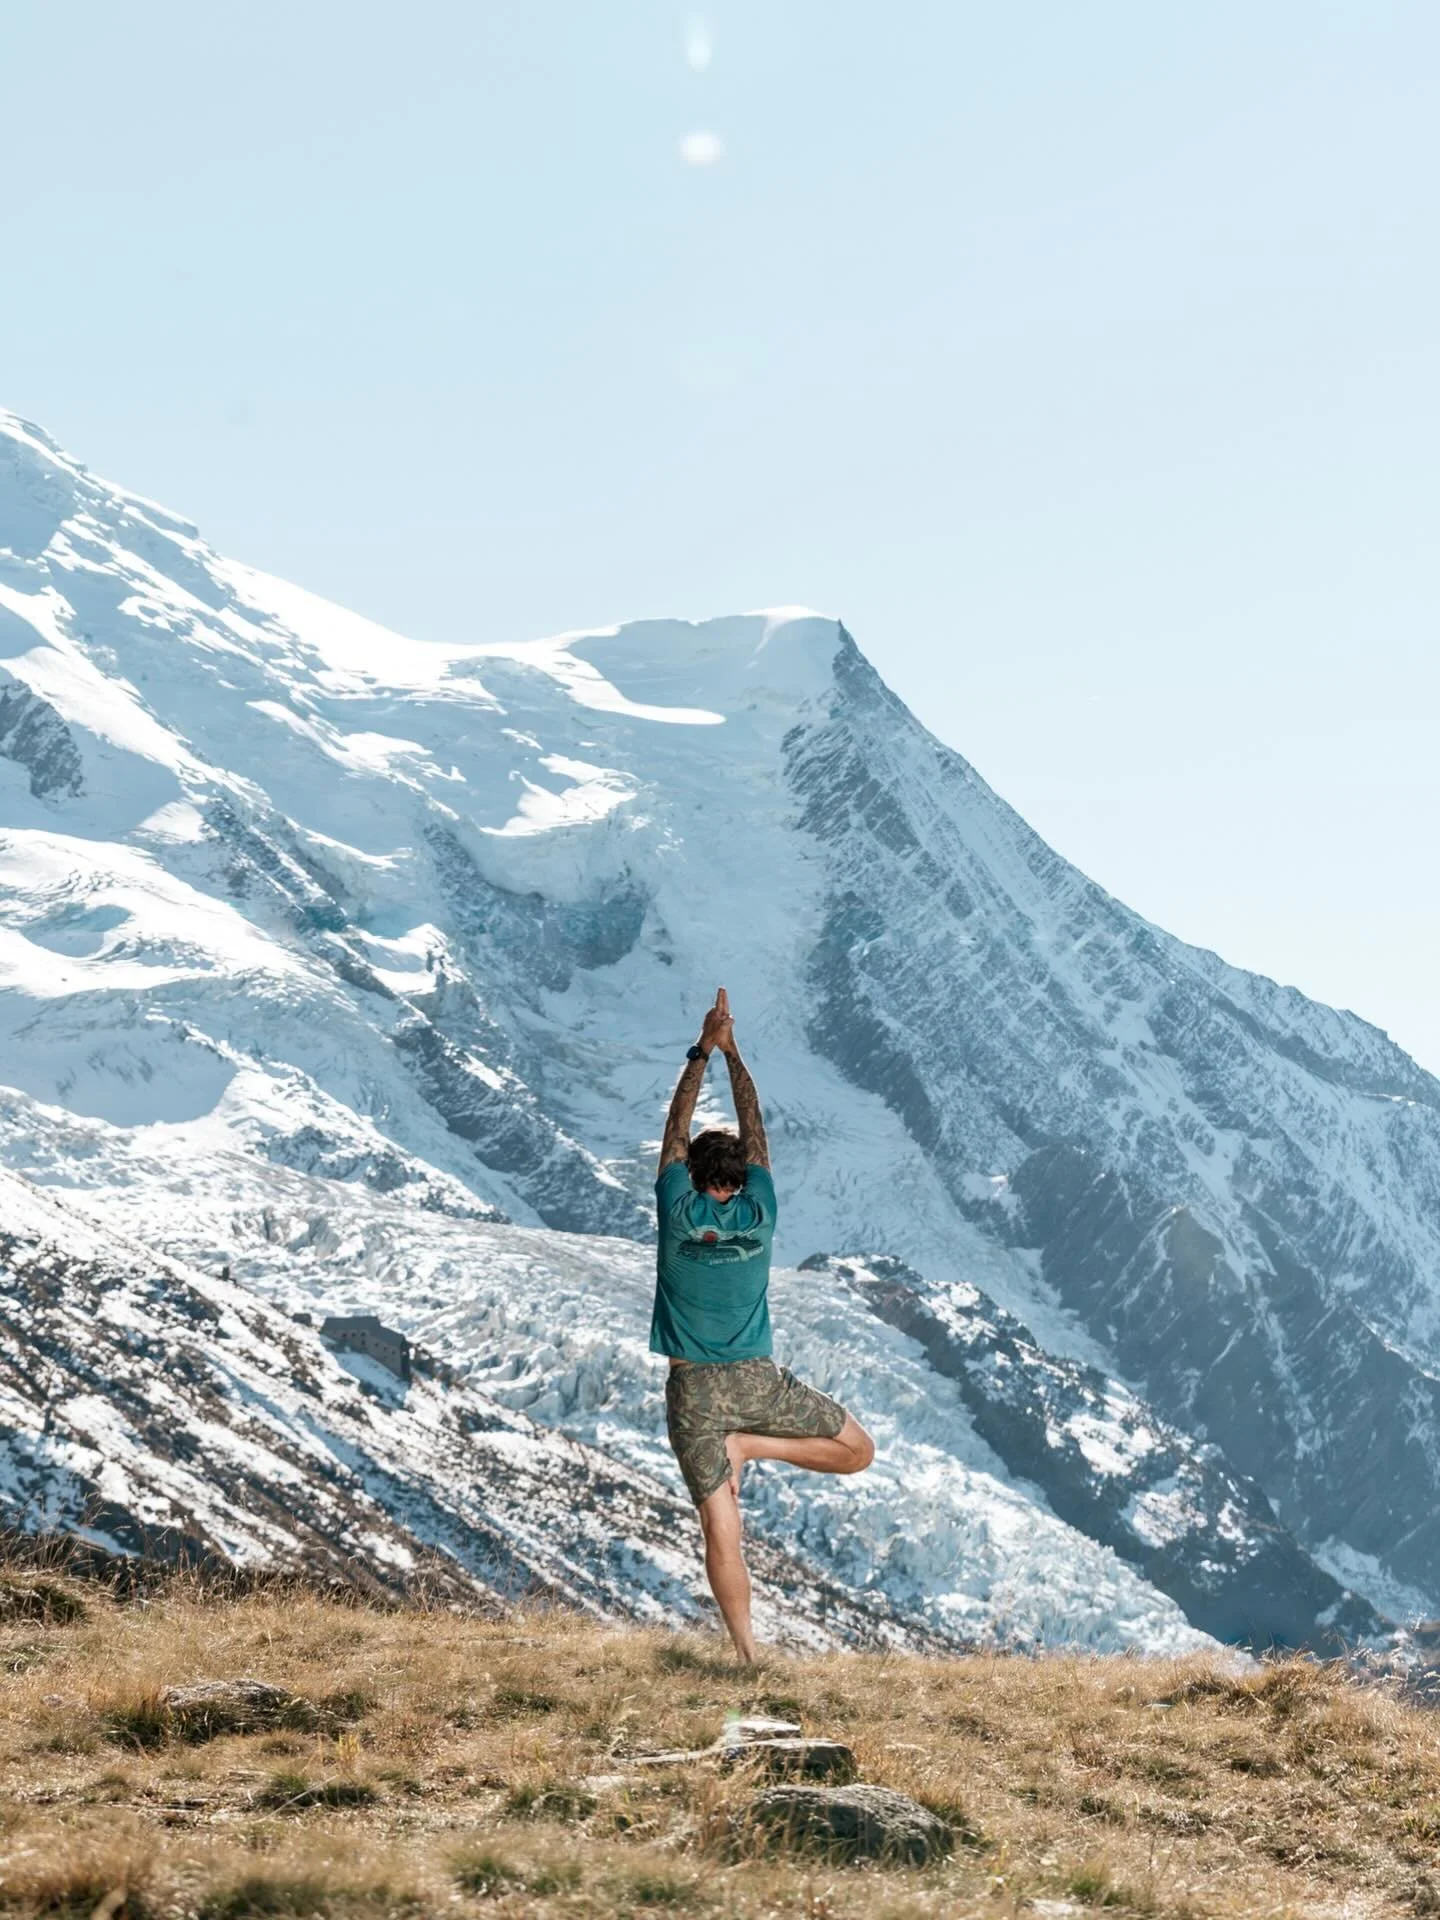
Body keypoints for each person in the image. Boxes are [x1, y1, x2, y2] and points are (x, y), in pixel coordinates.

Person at [650, 986, 875, 1661]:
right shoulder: (761, 1209)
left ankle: (748, 1656)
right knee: (857, 1452)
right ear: (744, 1180)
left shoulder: (676, 1208)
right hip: (756, 1382)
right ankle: (752, 1445)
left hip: (693, 1391)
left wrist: (701, 1050)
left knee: (722, 1532)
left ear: (691, 1176)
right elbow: (756, 1130)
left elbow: (675, 1128)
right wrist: (733, 1052)